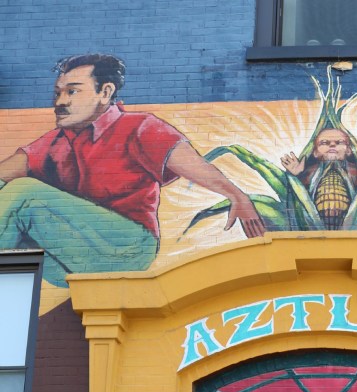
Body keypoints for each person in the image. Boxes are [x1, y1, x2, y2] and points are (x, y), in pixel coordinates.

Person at [0, 54, 264, 287]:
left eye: (72, 91)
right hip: (76, 256)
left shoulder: (139, 126)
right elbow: (5, 173)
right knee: (11, 198)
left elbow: (192, 164)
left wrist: (237, 196)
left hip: (130, 247)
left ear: (105, 92)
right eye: (57, 93)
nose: (60, 101)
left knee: (24, 192)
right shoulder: (56, 140)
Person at [281, 127, 357, 229]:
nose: (332, 145)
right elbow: (299, 198)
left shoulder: (354, 171)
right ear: (315, 152)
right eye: (324, 143)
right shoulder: (309, 172)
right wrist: (294, 176)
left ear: (348, 150)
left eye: (339, 142)